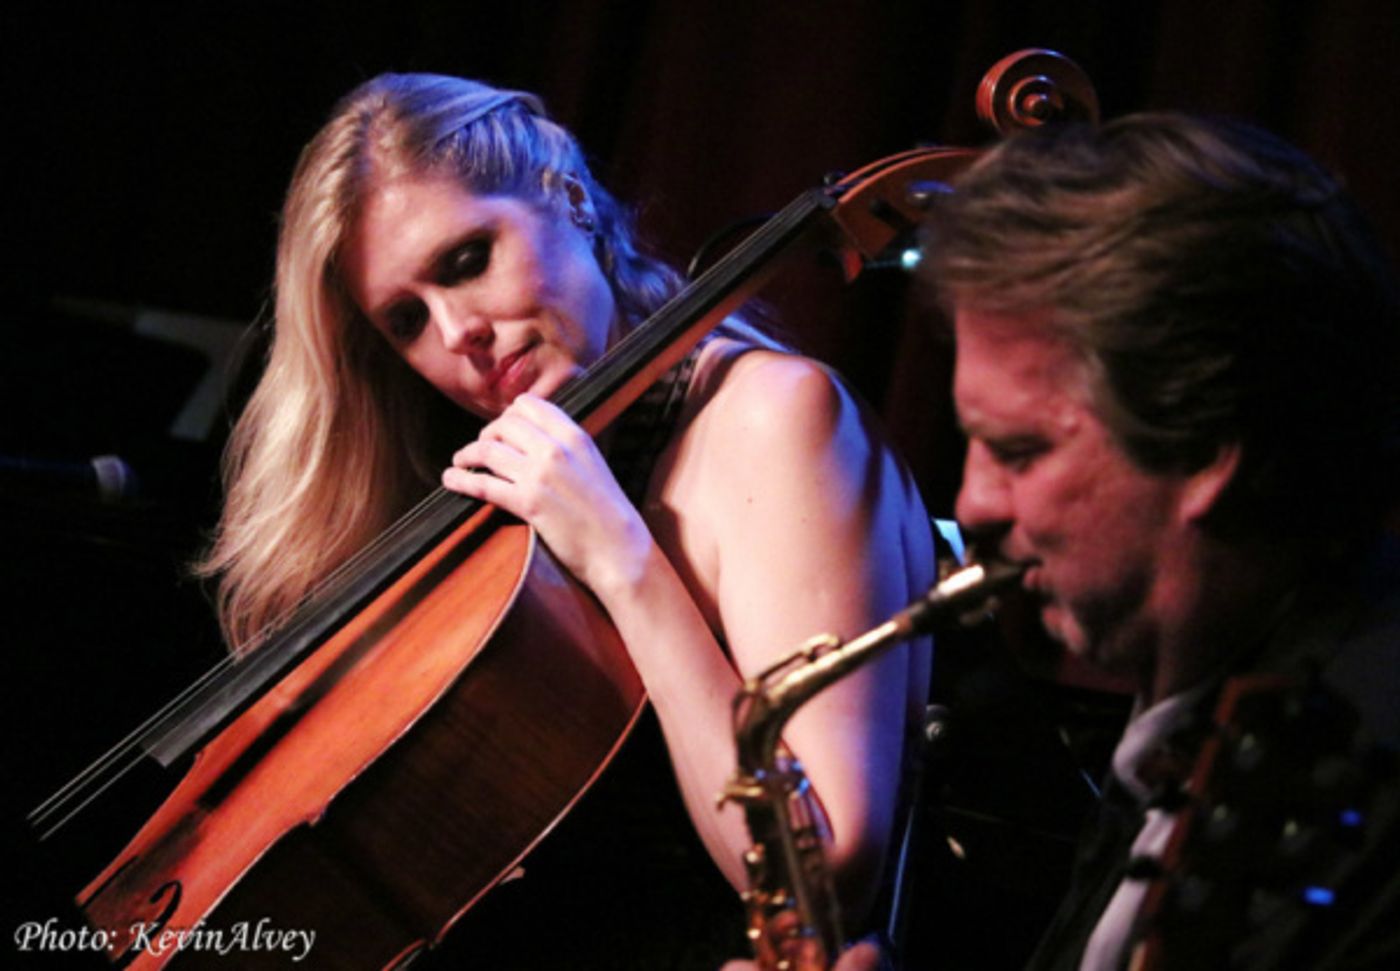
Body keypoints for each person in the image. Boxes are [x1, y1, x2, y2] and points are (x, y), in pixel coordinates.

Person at [196, 73, 935, 966]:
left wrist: (623, 555)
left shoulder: (771, 418)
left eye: (467, 260)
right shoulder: (500, 505)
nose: (456, 333)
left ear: (570, 196)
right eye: (406, 320)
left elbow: (821, 873)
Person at [730, 113, 1400, 970]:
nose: (971, 501)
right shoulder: (1187, 724)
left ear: (1204, 447)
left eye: (1021, 451)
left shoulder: (1347, 764)